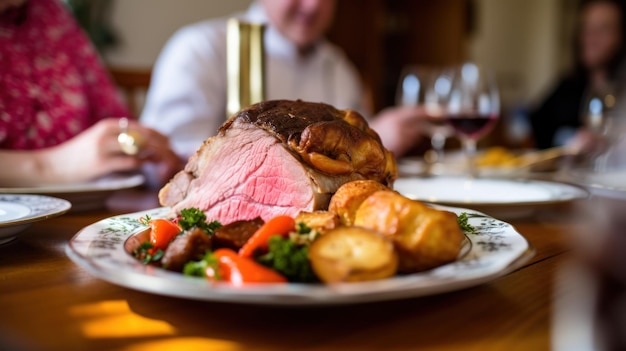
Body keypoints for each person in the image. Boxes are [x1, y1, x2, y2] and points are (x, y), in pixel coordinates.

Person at [141, 0, 424, 159]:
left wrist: (369, 140)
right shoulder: (201, 47)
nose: (313, 5)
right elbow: (166, 153)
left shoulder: (338, 66)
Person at [0, 0, 181, 187]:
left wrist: (136, 149)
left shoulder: (47, 12)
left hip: (91, 206)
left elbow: (113, 117)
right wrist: (49, 166)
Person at [530, 0, 626, 150]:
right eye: (586, 28)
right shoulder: (567, 88)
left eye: (603, 29)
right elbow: (538, 129)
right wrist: (569, 139)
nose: (590, 38)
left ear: (622, 36)